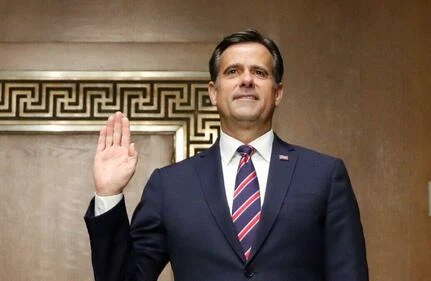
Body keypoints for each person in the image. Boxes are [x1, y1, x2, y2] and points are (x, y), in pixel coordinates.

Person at [85, 29, 369, 281]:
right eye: (233, 71)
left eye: (260, 72)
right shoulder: (170, 185)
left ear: (278, 92)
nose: (246, 80)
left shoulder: (324, 175)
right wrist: (108, 195)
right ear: (213, 91)